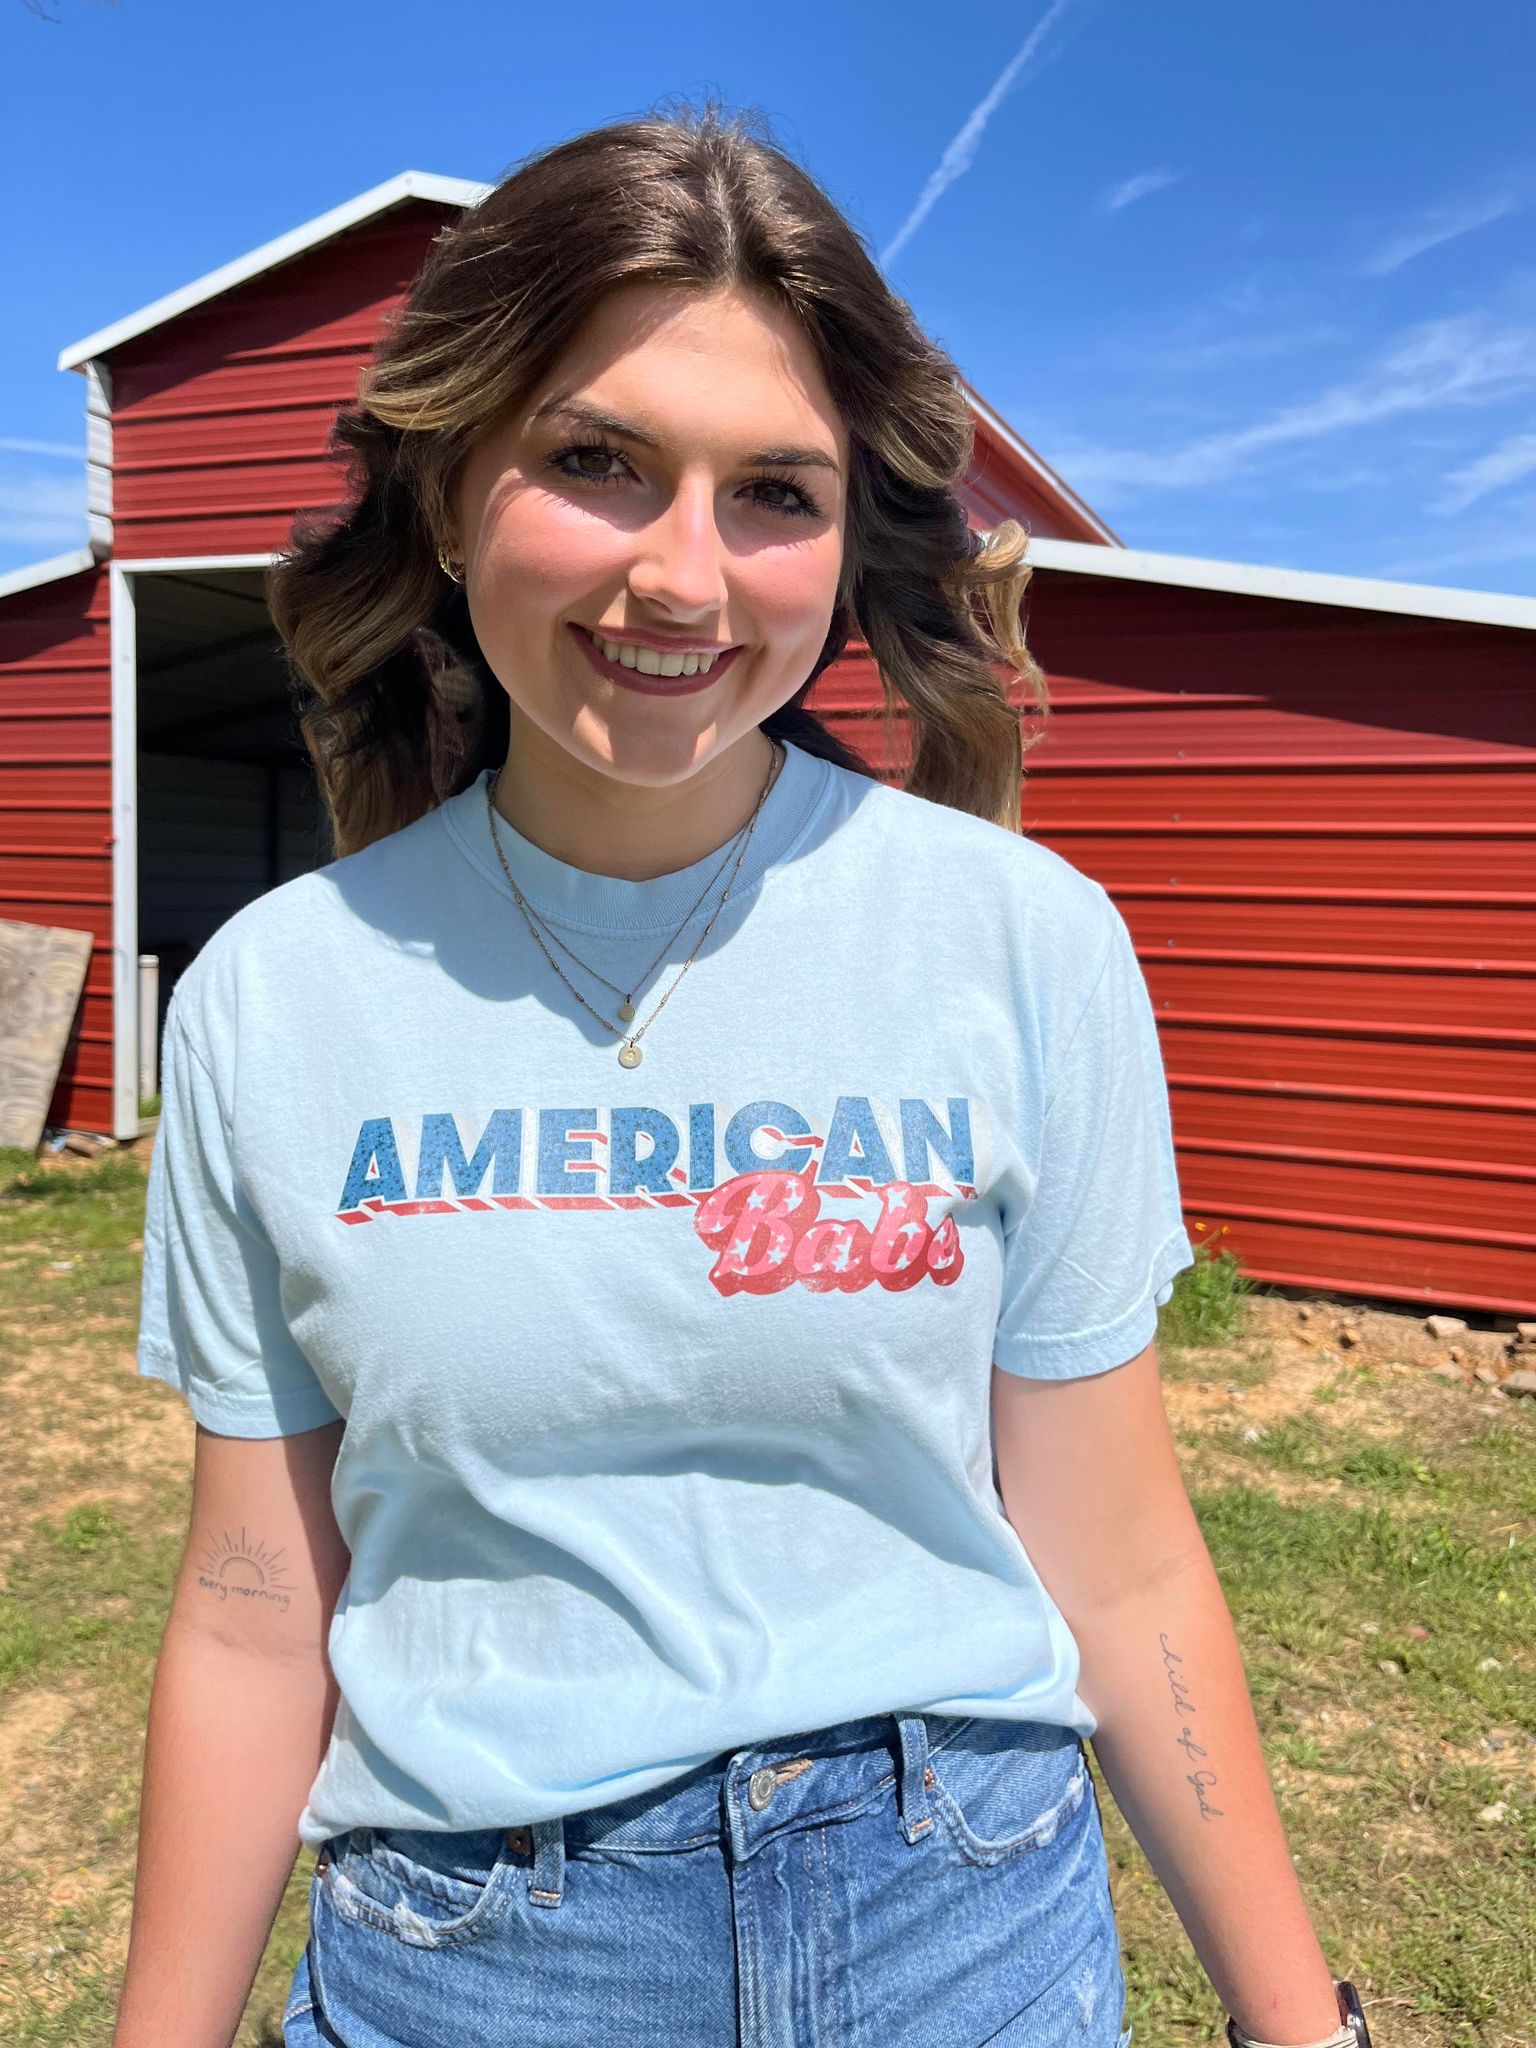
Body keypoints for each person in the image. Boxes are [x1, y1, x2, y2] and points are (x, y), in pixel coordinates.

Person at [116, 99, 1369, 2048]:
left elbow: (1118, 1560)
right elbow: (254, 1608)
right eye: (599, 463)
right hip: (480, 1960)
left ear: (847, 537)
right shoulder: (277, 1002)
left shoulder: (1027, 946)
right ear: (452, 497)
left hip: (966, 1927)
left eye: (774, 492)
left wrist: (1314, 2030)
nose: (685, 580)